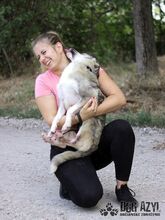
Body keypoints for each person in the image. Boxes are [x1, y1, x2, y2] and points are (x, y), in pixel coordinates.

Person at [32, 31, 138, 208]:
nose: (42, 59)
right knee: (89, 197)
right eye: (38, 57)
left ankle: (122, 187)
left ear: (58, 47)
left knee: (122, 129)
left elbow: (119, 98)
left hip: (93, 139)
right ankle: (69, 183)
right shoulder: (43, 81)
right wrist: (80, 116)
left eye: (44, 52)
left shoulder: (87, 66)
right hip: (67, 144)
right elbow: (52, 121)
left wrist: (91, 113)